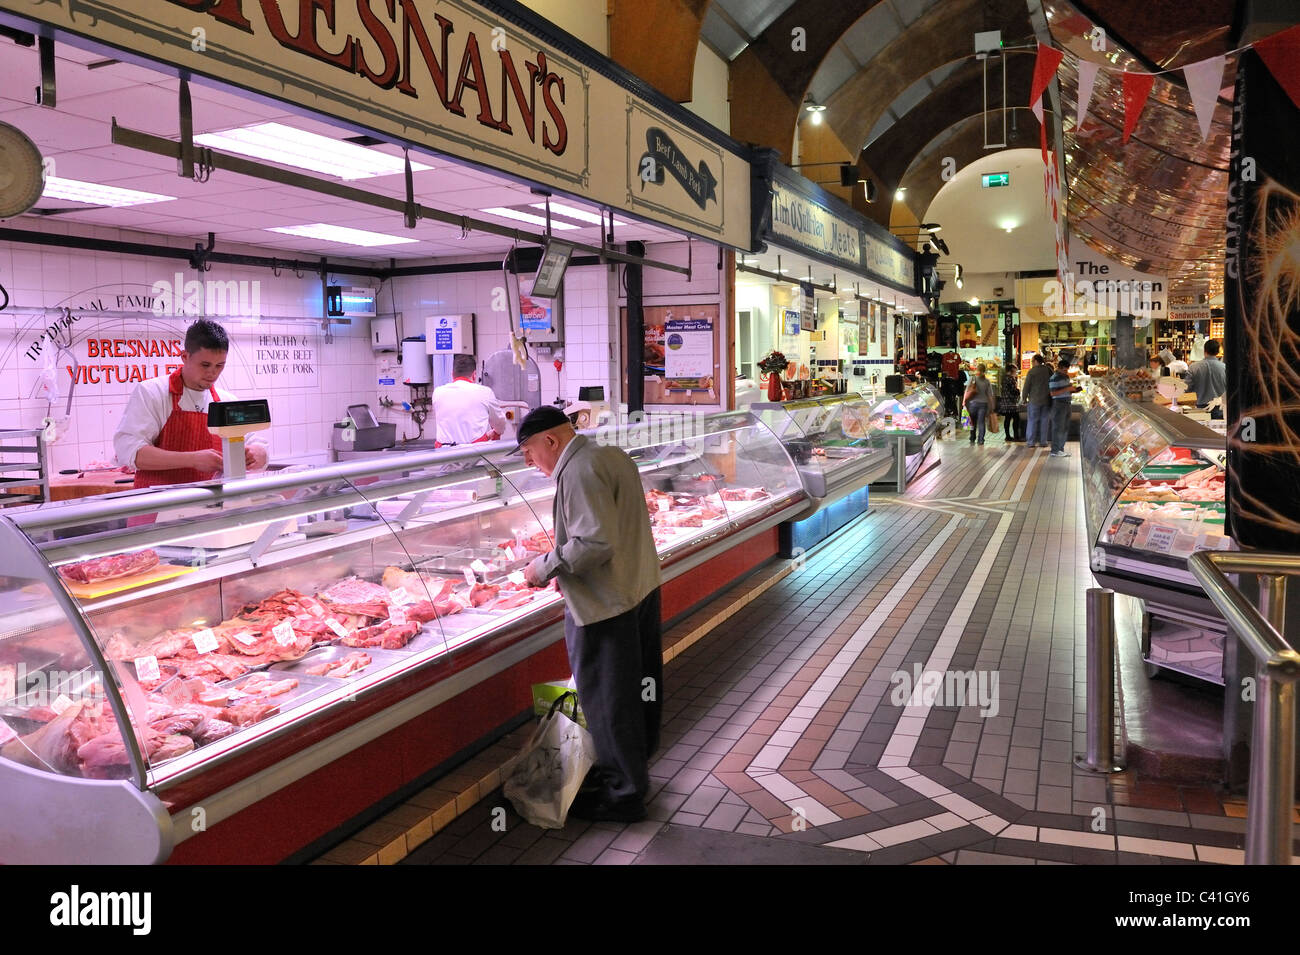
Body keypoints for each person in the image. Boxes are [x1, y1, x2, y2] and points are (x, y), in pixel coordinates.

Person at [519, 405, 662, 823]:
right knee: (637, 691)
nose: (529, 461)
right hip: (639, 589)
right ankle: (633, 769)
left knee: (608, 700)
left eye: (529, 451)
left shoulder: (579, 470)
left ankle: (624, 795)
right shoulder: (609, 454)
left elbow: (594, 544)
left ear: (551, 440)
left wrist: (542, 567)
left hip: (606, 604)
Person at [114, 318, 268, 487]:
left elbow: (255, 443)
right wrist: (192, 459)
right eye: (205, 365)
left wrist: (259, 453)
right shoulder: (152, 393)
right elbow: (129, 451)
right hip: (159, 506)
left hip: (210, 508)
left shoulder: (226, 401)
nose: (212, 373)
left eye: (220, 365)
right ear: (185, 356)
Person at [432, 354, 506, 446]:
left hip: (444, 454)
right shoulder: (485, 392)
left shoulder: (438, 392)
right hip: (475, 455)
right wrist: (495, 432)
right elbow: (500, 422)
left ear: (452, 375)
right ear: (474, 375)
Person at [1048, 358, 1082, 457]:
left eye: (1067, 370)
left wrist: (1074, 390)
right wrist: (1068, 388)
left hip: (1067, 403)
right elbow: (1053, 393)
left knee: (1064, 427)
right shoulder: (1054, 378)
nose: (1066, 372)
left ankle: (1060, 449)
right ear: (1059, 368)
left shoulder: (1065, 377)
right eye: (1064, 370)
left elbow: (1065, 390)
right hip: (1059, 404)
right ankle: (1055, 450)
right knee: (1058, 427)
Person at [1186, 339, 1227, 419]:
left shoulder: (1193, 367)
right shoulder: (1225, 368)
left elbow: (1186, 388)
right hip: (1220, 409)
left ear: (1204, 351)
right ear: (1218, 352)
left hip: (1201, 409)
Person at [1021, 354, 1052, 448]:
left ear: (1035, 361)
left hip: (1034, 400)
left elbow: (1026, 386)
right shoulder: (1048, 370)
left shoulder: (1032, 371)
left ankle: (1031, 442)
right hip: (1046, 400)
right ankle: (1043, 441)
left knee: (1032, 421)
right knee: (1044, 421)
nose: (1031, 364)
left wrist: (1024, 398)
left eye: (1032, 362)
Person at [965, 362, 996, 446]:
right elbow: (990, 395)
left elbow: (967, 390)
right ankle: (981, 440)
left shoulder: (973, 378)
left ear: (977, 370)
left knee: (972, 422)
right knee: (981, 422)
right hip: (983, 404)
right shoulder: (987, 381)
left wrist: (964, 402)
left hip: (973, 404)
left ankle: (972, 437)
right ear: (985, 371)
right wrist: (992, 406)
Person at [1000, 368, 1024, 442]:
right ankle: (1016, 436)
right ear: (1011, 371)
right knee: (1016, 419)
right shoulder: (1011, 379)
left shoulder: (1003, 378)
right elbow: (1014, 390)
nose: (1016, 373)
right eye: (1015, 371)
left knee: (1007, 419)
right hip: (1011, 403)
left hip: (1005, 402)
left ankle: (1007, 436)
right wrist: (1018, 390)